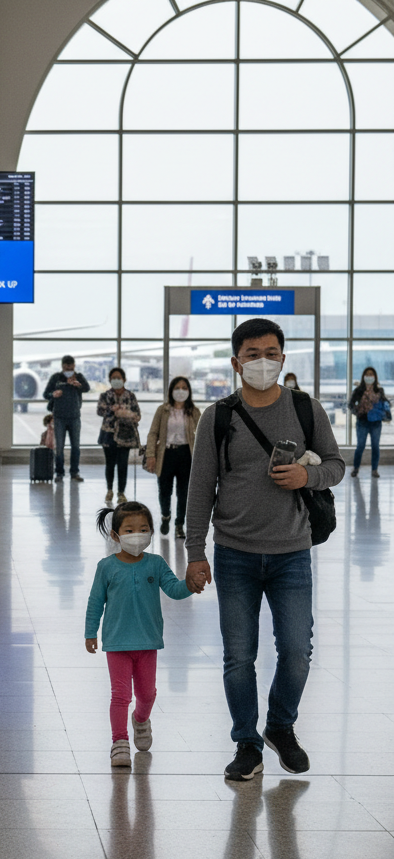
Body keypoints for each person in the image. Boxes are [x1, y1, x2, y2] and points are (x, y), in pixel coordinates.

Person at [184, 318, 345, 782]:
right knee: (239, 656)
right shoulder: (219, 416)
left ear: (283, 358)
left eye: (270, 352)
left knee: (297, 651)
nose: (262, 362)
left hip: (292, 551)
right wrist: (196, 553)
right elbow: (200, 489)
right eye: (252, 354)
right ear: (236, 363)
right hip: (234, 552)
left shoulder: (305, 408)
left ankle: (280, 725)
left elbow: (335, 465)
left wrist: (306, 477)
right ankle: (247, 744)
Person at [85, 502, 195, 768]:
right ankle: (119, 741)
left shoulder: (156, 564)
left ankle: (141, 720)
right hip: (117, 643)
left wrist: (190, 584)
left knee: (147, 693)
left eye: (144, 529)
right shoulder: (106, 567)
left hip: (148, 641)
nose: (138, 535)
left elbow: (173, 589)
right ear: (115, 535)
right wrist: (90, 632)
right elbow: (95, 601)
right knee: (120, 695)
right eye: (130, 529)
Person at [144, 376, 201, 539]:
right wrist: (150, 455)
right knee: (164, 490)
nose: (181, 391)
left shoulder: (193, 411)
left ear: (189, 391)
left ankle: (179, 524)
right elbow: (153, 433)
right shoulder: (163, 410)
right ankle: (165, 516)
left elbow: (203, 434)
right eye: (177, 388)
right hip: (166, 454)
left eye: (184, 388)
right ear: (171, 391)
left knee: (184, 492)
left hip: (186, 455)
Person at [96, 367, 141, 505]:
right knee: (110, 464)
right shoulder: (105, 395)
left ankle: (121, 492)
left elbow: (137, 414)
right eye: (113, 378)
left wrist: (128, 414)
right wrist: (112, 410)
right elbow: (100, 410)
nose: (116, 381)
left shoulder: (130, 396)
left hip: (125, 434)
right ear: (109, 380)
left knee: (122, 464)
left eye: (118, 378)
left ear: (124, 379)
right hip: (108, 434)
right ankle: (109, 489)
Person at [43, 355, 90, 482]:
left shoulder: (78, 377)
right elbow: (45, 394)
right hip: (59, 418)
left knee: (76, 447)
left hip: (75, 417)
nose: (68, 369)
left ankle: (74, 472)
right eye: (66, 367)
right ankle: (59, 473)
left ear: (74, 366)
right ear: (62, 367)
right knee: (59, 447)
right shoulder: (56, 378)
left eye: (70, 367)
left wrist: (78, 385)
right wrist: (53, 394)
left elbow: (87, 388)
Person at [349, 366, 389, 479]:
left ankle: (374, 470)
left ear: (375, 377)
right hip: (362, 421)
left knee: (375, 446)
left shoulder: (379, 390)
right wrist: (358, 411)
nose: (369, 376)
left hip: (376, 422)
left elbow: (385, 403)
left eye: (371, 374)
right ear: (363, 376)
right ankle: (356, 468)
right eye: (367, 374)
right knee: (360, 446)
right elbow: (351, 404)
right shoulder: (359, 390)